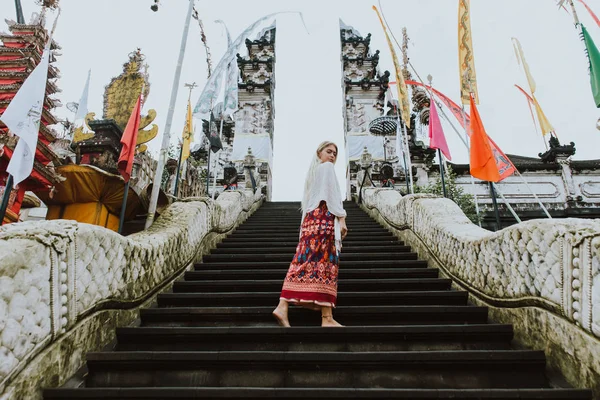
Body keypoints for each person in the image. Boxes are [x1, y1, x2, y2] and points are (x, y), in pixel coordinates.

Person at [272, 141, 348, 327]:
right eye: (328, 151)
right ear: (319, 153)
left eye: (334, 153)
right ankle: (326, 318)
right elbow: (332, 197)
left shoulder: (314, 173)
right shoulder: (327, 168)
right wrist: (342, 218)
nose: (332, 156)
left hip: (310, 222)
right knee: (326, 264)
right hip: (323, 219)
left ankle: (286, 305)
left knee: (306, 262)